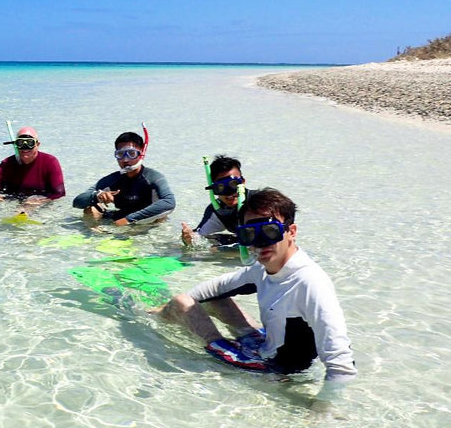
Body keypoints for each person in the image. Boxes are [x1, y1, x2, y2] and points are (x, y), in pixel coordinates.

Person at [158, 188, 357, 382]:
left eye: (269, 231)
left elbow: (342, 365)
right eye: (249, 234)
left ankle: (152, 323)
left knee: (181, 303)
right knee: (211, 300)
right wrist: (166, 308)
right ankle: (159, 314)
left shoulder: (310, 282)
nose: (260, 242)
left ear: (291, 232)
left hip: (274, 370)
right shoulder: (262, 268)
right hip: (266, 345)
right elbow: (216, 288)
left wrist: (323, 410)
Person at [72, 131, 175, 226]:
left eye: (131, 153)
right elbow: (77, 202)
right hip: (120, 219)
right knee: (90, 209)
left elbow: (169, 202)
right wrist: (97, 196)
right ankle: (96, 236)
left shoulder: (153, 177)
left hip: (146, 223)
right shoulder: (113, 179)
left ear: (141, 154)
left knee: (161, 218)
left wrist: (129, 220)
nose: (125, 160)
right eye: (120, 154)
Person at [0, 126, 65, 204]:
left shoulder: (50, 162)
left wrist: (38, 203)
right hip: (13, 202)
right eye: (20, 143)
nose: (25, 147)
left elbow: (59, 194)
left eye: (30, 143)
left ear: (37, 144)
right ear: (15, 144)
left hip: (40, 204)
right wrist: (2, 204)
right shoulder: (7, 164)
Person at [182, 154, 247, 247]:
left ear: (243, 182)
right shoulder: (217, 211)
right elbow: (197, 238)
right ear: (213, 189)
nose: (229, 193)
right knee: (209, 242)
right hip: (240, 240)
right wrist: (188, 239)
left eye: (233, 184)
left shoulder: (259, 203)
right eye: (221, 187)